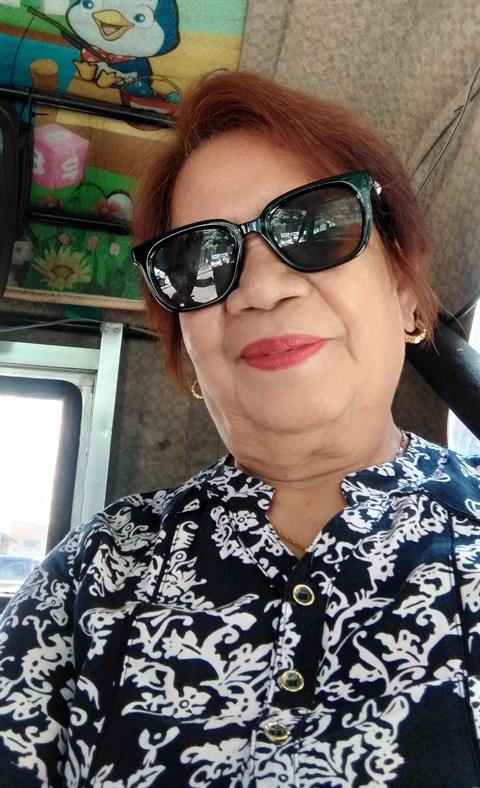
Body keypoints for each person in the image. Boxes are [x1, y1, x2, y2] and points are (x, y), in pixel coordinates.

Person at [1, 71, 479, 788]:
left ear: (407, 294)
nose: (260, 288)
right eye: (200, 260)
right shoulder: (91, 578)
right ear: (186, 351)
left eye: (316, 225)